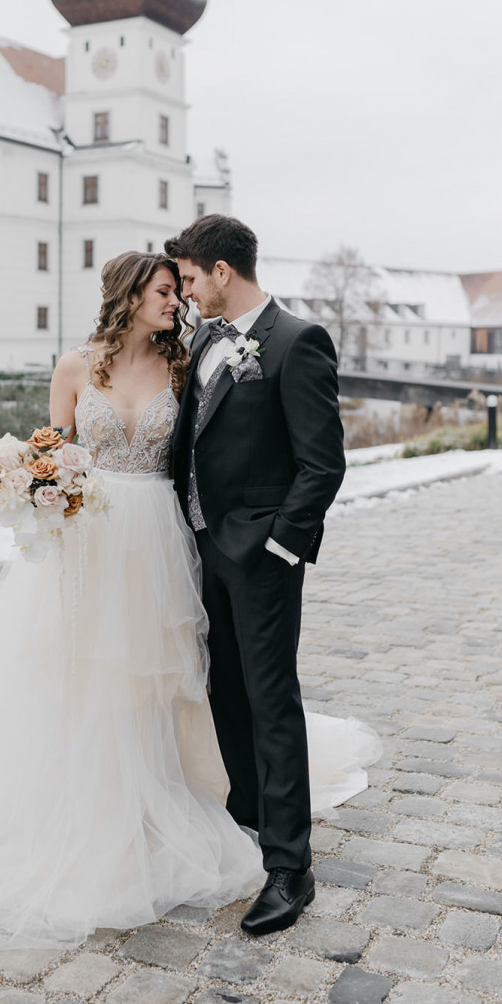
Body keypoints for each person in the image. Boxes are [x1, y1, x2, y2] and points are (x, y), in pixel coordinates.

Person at [0, 249, 378, 951]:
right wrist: (32, 488)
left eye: (181, 290)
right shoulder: (74, 367)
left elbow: (213, 442)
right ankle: (91, 805)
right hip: (89, 543)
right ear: (129, 295)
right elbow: (54, 450)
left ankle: (183, 801)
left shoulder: (186, 362)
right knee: (82, 678)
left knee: (166, 678)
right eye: (165, 291)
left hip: (161, 543)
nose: (177, 303)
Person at [166, 215, 348, 936]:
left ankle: (289, 869)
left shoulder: (297, 342)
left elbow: (323, 462)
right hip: (202, 551)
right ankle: (246, 819)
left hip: (260, 558)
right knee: (224, 690)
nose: (183, 291)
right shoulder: (205, 337)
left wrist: (279, 548)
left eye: (187, 277)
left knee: (272, 699)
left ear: (220, 271)